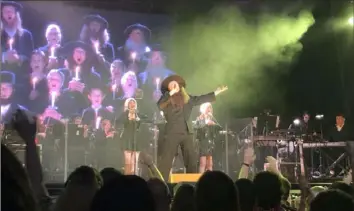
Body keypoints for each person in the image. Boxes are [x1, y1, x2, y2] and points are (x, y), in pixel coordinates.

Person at [157, 75, 227, 181]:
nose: (174, 84)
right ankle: (161, 185)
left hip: (187, 132)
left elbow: (201, 98)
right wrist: (171, 93)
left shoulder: (187, 99)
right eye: (171, 84)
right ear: (168, 88)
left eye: (176, 83)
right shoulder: (167, 100)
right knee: (166, 161)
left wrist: (216, 92)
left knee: (191, 161)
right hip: (172, 132)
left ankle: (192, 185)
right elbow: (159, 105)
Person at [195, 102, 220, 173]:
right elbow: (196, 127)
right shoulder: (199, 118)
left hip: (210, 143)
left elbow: (220, 127)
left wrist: (213, 123)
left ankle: (210, 180)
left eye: (210, 107)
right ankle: (201, 180)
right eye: (208, 108)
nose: (209, 109)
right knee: (203, 163)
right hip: (202, 143)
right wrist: (205, 123)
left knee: (210, 164)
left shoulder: (212, 118)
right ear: (204, 109)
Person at [118, 98, 141, 175]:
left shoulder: (138, 114)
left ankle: (134, 177)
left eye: (133, 102)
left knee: (135, 162)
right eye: (130, 103)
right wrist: (129, 116)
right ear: (127, 105)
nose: (132, 104)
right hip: (127, 139)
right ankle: (127, 178)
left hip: (136, 139)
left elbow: (143, 123)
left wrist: (137, 118)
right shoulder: (124, 114)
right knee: (128, 162)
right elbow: (119, 122)